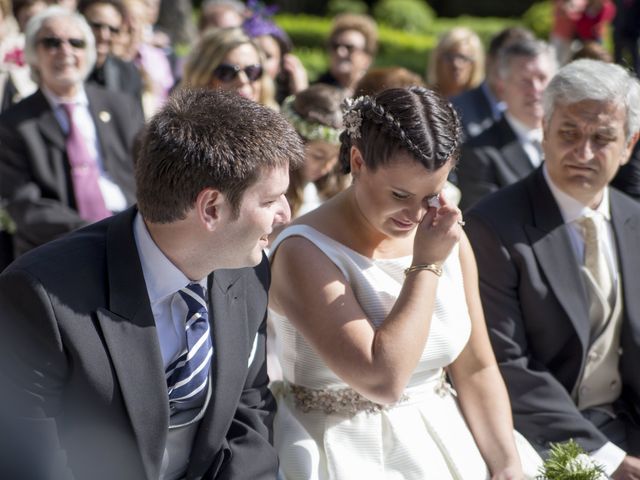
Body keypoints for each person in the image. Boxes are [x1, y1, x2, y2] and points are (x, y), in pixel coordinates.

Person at [0, 87, 304, 479]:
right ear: (211, 208)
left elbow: (248, 411)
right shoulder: (41, 296)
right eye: (270, 201)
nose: (286, 213)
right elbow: (29, 461)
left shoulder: (247, 270)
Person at [268, 86, 541, 479]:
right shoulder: (303, 250)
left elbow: (477, 367)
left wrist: (506, 464)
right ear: (358, 162)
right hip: (339, 452)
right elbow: (382, 379)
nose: (416, 214)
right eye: (400, 194)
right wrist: (427, 264)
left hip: (448, 439)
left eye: (433, 194)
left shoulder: (447, 234)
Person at [465, 59, 640, 478]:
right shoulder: (493, 226)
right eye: (568, 133)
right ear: (543, 129)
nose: (583, 153)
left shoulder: (635, 218)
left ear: (630, 145)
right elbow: (506, 363)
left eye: (602, 138)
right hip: (539, 438)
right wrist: (608, 459)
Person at [0, 6, 144, 256]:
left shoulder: (122, 107)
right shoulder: (14, 124)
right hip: (60, 247)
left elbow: (148, 172)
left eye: (76, 43)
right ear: (34, 53)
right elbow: (25, 205)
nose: (65, 51)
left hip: (135, 231)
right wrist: (99, 234)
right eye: (52, 42)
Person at [457, 38, 556, 211]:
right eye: (525, 81)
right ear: (502, 87)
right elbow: (486, 223)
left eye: (542, 78)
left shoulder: (571, 143)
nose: (536, 89)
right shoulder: (478, 153)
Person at [451, 27, 535, 141]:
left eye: (525, 62)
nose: (514, 68)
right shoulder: (456, 111)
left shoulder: (538, 114)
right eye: (507, 57)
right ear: (489, 60)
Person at [280, 84, 349, 219]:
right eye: (318, 156)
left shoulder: (334, 186)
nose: (327, 167)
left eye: (335, 157)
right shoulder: (273, 191)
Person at [180, 27, 276, 108]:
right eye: (227, 73)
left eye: (252, 71)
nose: (243, 80)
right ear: (203, 78)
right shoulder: (182, 129)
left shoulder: (280, 127)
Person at [79, 0, 144, 114]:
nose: (104, 35)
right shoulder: (67, 71)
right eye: (96, 26)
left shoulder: (128, 73)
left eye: (113, 30)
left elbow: (137, 122)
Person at [315, 13, 377, 96]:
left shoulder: (377, 92)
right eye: (335, 46)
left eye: (349, 47)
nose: (340, 52)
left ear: (367, 58)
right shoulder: (318, 89)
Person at [427, 26, 485, 99]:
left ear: (475, 63)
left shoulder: (484, 103)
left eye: (463, 57)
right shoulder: (426, 99)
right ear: (438, 60)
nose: (456, 64)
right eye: (449, 57)